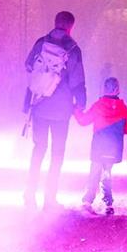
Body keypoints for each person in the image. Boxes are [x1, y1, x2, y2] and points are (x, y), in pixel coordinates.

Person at [23, 11, 87, 210]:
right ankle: (49, 199)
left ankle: (29, 194)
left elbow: (28, 66)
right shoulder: (73, 49)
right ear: (70, 27)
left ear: (55, 22)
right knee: (57, 153)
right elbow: (77, 80)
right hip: (61, 110)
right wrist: (81, 101)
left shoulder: (41, 42)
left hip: (40, 105)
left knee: (38, 150)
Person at [73, 77, 127, 216]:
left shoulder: (98, 105)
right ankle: (108, 203)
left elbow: (83, 121)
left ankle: (88, 201)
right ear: (118, 89)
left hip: (99, 147)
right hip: (113, 148)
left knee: (94, 172)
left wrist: (75, 110)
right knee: (107, 174)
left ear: (104, 89)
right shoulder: (123, 109)